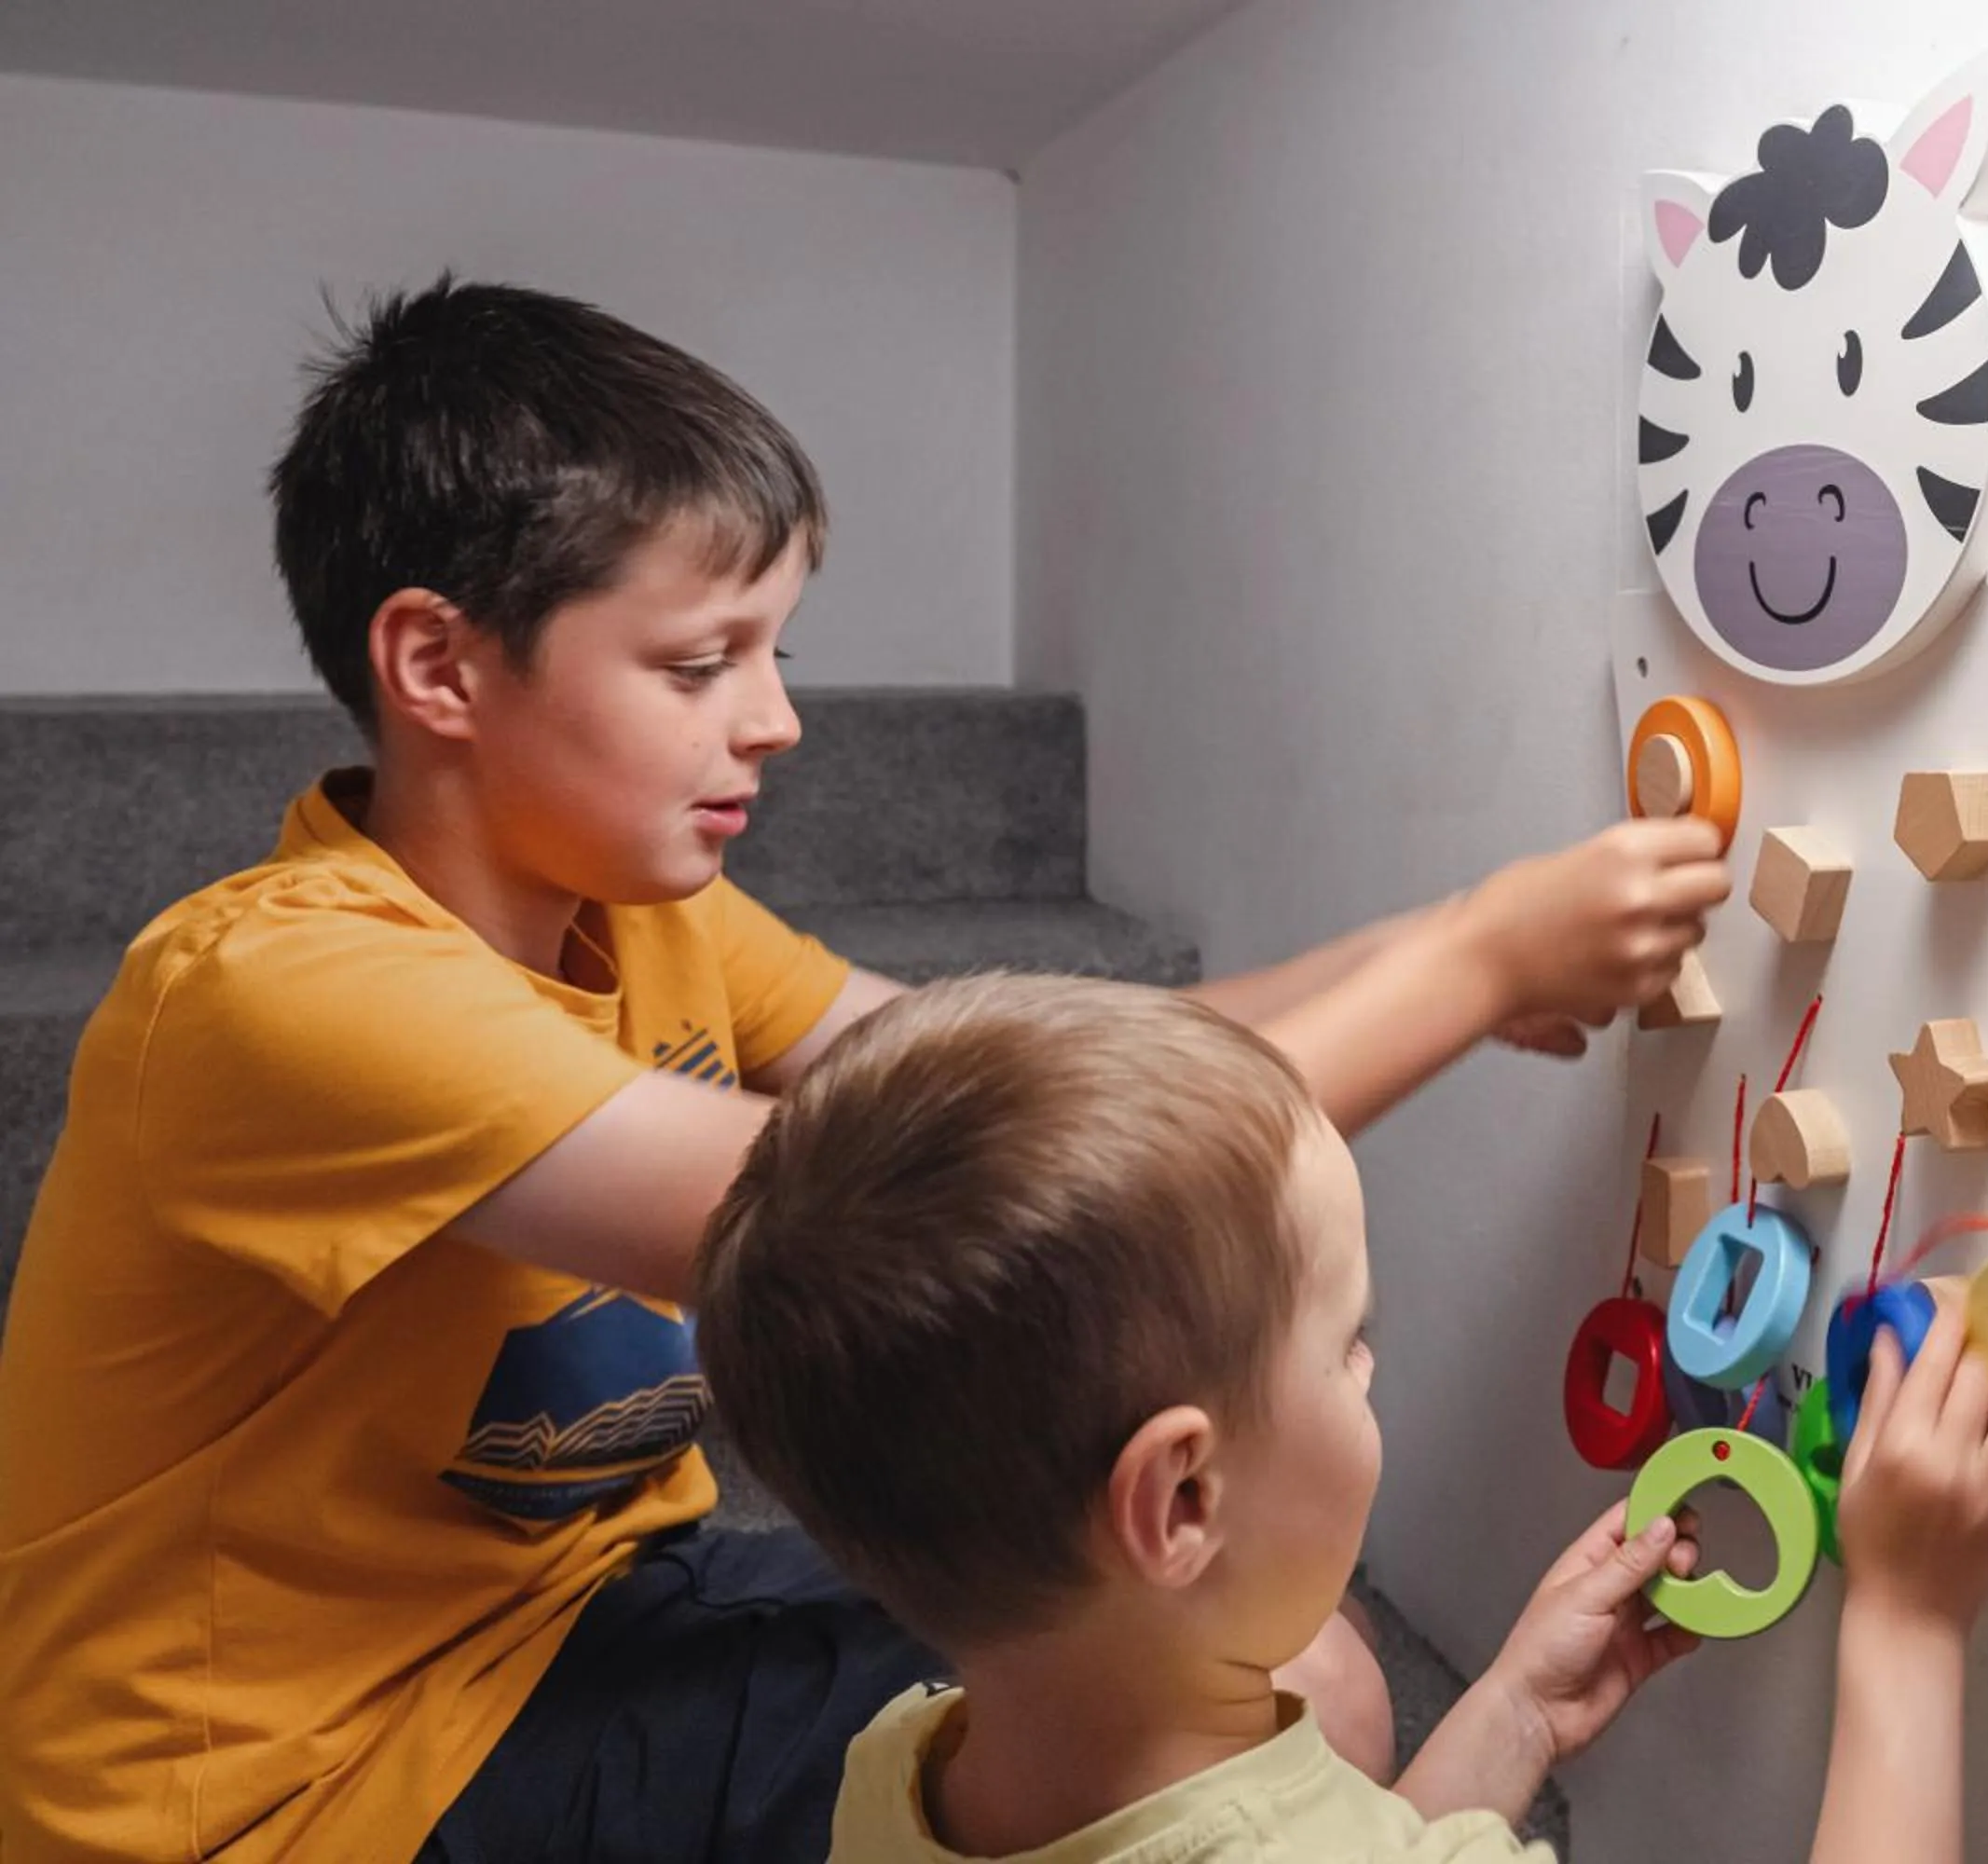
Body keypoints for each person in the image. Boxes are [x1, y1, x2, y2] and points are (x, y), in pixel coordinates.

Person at [0, 278, 1731, 1864]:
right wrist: (1479, 960)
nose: (774, 720)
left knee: (1269, 1678)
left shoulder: (651, 913)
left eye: (776, 653)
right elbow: (1030, 1211)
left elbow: (1058, 1076)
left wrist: (1449, 934)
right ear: (439, 665)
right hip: (299, 1786)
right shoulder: (284, 997)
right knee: (1308, 1700)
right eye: (700, 664)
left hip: (589, 1609)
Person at [697, 973, 1988, 1862]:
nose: (1370, 1368)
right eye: (1347, 1343)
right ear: (1182, 1499)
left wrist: (1513, 1715)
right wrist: (1908, 1628)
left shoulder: (901, 1771)